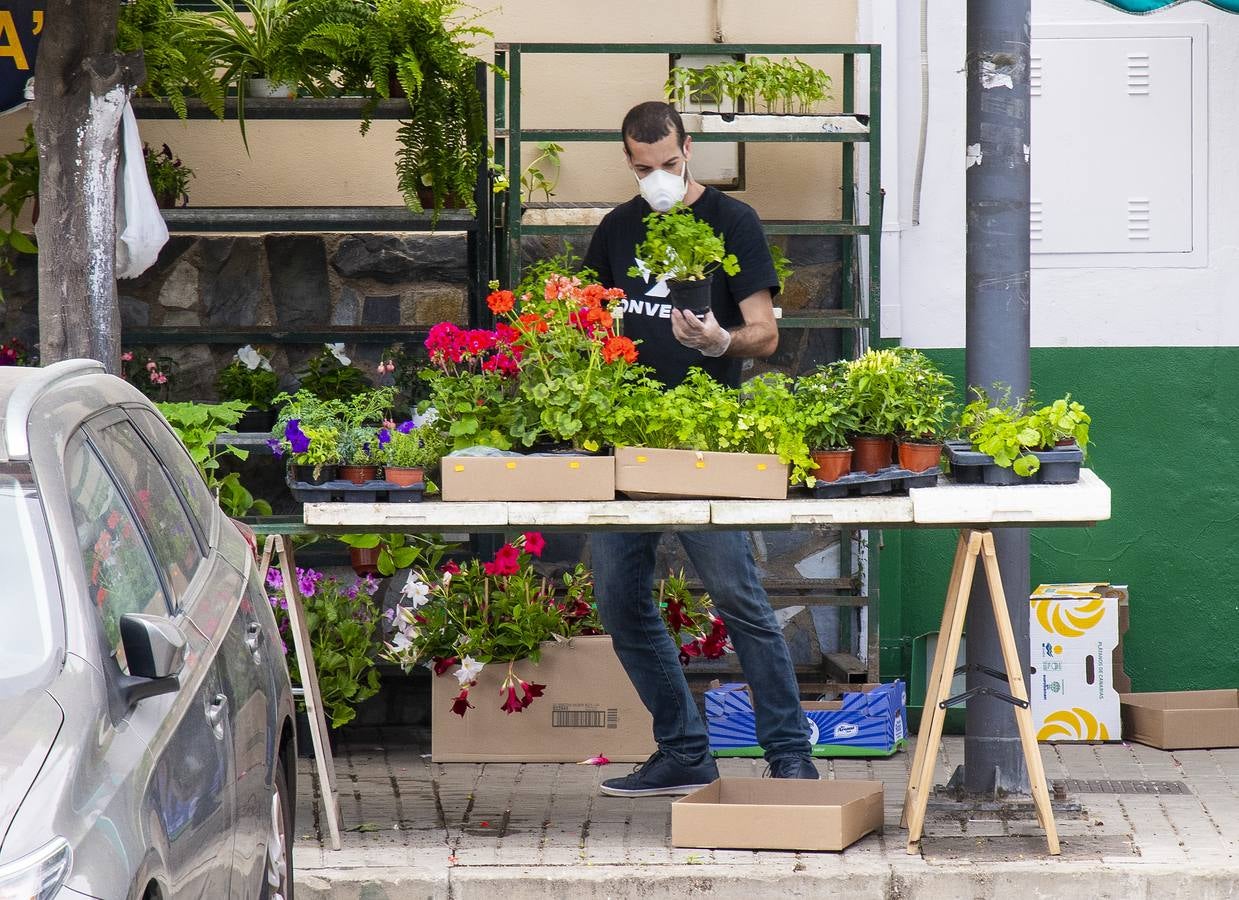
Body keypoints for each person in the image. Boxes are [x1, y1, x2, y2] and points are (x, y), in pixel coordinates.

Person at [584, 101, 817, 797]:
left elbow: (764, 332)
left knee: (737, 596)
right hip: (628, 435)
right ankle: (683, 750)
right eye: (641, 167)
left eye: (667, 164)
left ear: (689, 149)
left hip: (703, 436)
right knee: (620, 600)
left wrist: (719, 341)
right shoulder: (617, 229)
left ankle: (788, 757)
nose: (655, 178)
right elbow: (591, 320)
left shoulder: (730, 221)